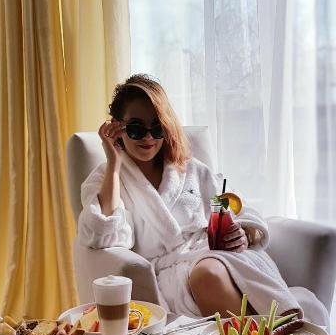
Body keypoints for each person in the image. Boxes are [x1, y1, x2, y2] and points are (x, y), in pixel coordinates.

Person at [78, 74, 325, 322]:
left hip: (221, 257)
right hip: (172, 274)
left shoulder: (190, 168)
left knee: (208, 271)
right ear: (116, 127)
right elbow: (102, 233)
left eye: (157, 127)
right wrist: (113, 162)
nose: (148, 137)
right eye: (136, 128)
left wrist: (243, 233)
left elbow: (237, 209)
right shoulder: (107, 178)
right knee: (206, 274)